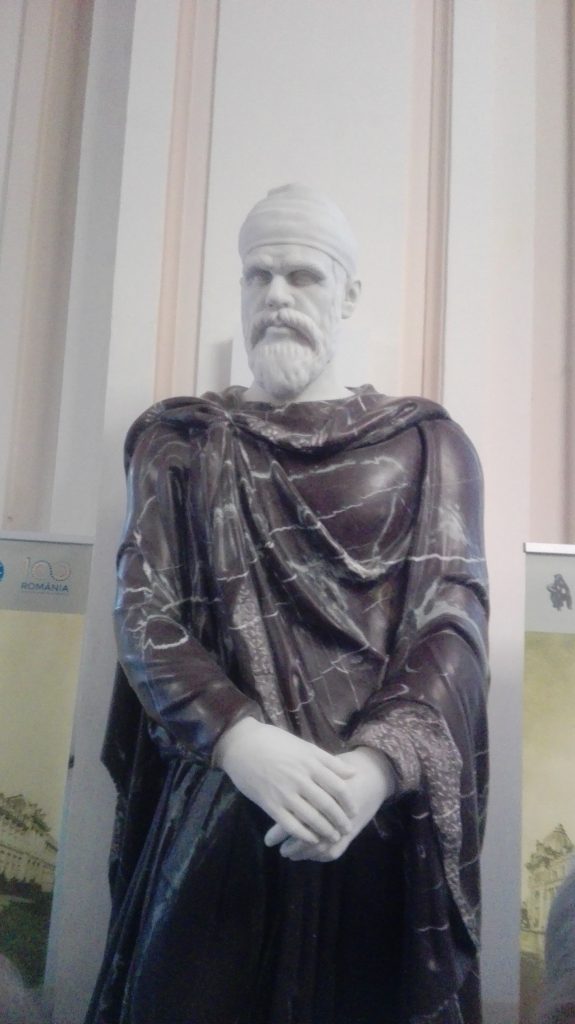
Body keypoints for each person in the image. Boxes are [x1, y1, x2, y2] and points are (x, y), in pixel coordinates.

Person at [85, 185, 489, 1024]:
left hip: (368, 827)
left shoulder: (428, 445)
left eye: (302, 275)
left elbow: (450, 625)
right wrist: (239, 738)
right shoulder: (181, 441)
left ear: (347, 294)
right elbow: (144, 613)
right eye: (257, 275)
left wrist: (375, 769)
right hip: (216, 816)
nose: (275, 297)